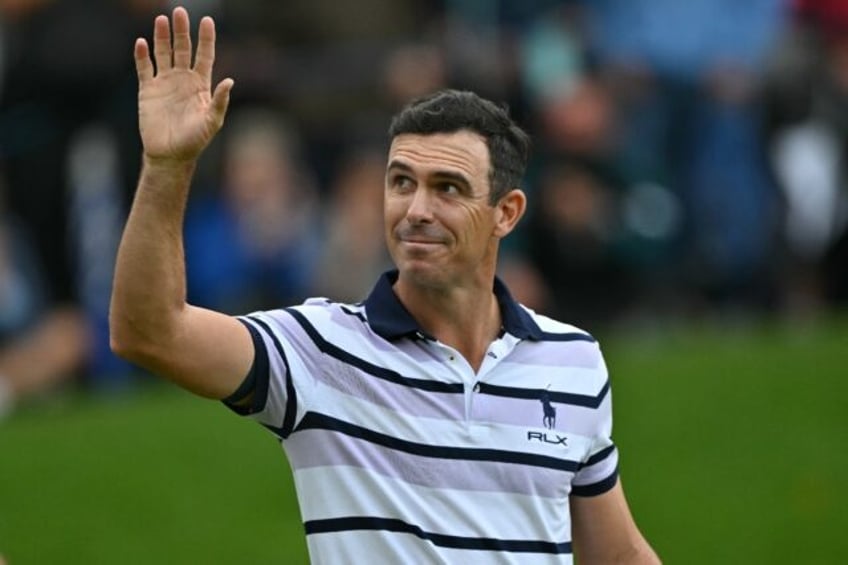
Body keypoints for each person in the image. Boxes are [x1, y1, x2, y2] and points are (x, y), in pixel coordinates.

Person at [109, 7, 660, 564]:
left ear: (507, 213)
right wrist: (167, 166)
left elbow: (619, 558)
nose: (417, 210)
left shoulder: (574, 361)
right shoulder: (320, 349)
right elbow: (149, 333)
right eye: (402, 182)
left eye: (447, 188)